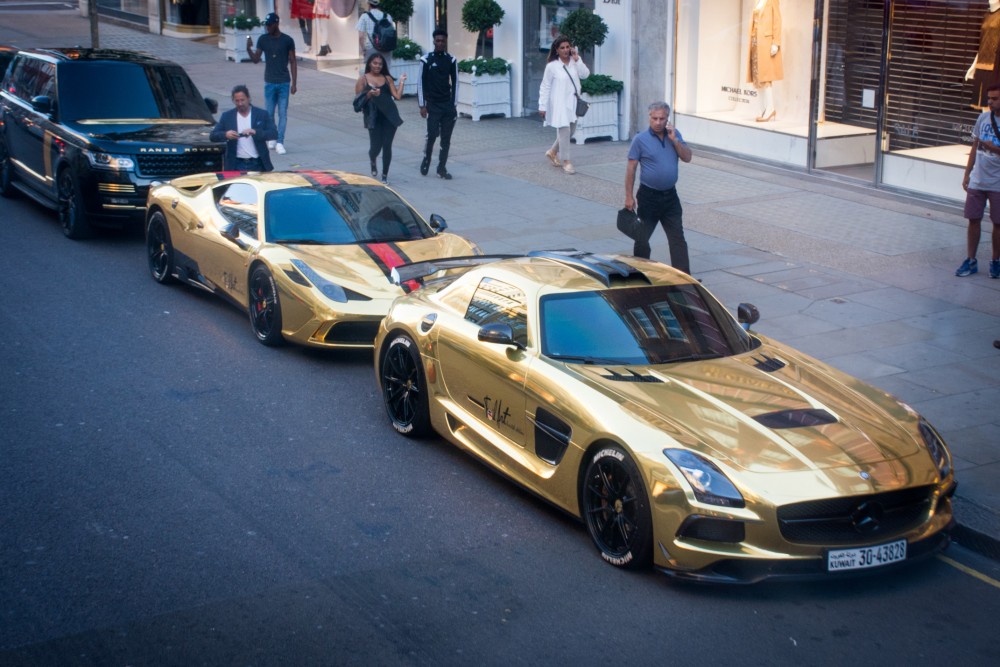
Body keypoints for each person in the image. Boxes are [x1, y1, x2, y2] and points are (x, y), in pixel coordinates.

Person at [624, 101, 693, 274]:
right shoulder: (640, 140)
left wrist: (675, 141)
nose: (658, 122)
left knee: (677, 238)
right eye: (654, 118)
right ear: (649, 117)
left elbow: (687, 157)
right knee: (642, 238)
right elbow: (631, 168)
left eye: (662, 118)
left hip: (670, 197)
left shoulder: (674, 135)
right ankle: (641, 273)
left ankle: (683, 276)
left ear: (667, 118)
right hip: (649, 197)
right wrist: (629, 196)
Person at [958, 82, 1000, 279]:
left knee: (998, 223)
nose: (990, 102)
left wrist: (993, 148)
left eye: (995, 99)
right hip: (978, 179)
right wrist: (967, 173)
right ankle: (971, 259)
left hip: (998, 182)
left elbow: (988, 146)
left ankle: (995, 261)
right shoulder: (983, 118)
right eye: (989, 98)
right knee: (973, 219)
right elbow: (975, 147)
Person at [246, 12, 297, 156]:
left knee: (282, 113)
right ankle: (273, 136)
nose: (267, 27)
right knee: (269, 114)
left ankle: (280, 141)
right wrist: (248, 48)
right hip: (269, 81)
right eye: (266, 25)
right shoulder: (263, 39)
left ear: (276, 24)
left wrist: (294, 83)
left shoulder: (287, 40)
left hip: (283, 82)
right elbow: (256, 59)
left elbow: (293, 61)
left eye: (269, 25)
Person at [538, 36, 590, 175]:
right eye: (562, 48)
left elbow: (585, 75)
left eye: (568, 47)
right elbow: (545, 86)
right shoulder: (552, 66)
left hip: (573, 102)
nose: (566, 50)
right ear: (557, 50)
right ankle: (566, 161)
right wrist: (542, 105)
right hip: (559, 103)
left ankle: (553, 151)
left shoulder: (574, 62)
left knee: (571, 130)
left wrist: (577, 58)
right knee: (565, 131)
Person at [355, 53, 406, 183]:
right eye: (375, 63)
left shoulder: (387, 78)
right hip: (373, 117)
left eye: (380, 64)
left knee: (387, 145)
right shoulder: (363, 79)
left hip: (389, 116)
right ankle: (373, 159)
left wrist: (401, 82)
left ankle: (384, 176)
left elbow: (398, 96)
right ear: (370, 64)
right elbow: (357, 103)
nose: (377, 66)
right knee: (375, 147)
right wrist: (369, 94)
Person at [417, 29, 458, 180]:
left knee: (446, 139)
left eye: (443, 41)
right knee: (432, 134)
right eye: (438, 40)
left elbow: (456, 83)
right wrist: (422, 105)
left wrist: (454, 104)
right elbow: (420, 83)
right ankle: (427, 158)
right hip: (432, 105)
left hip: (447, 105)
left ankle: (442, 167)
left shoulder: (451, 60)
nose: (440, 43)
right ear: (434, 41)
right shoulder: (426, 60)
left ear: (446, 42)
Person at [210, 85, 277, 172]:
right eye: (237, 101)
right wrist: (226, 135)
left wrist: (256, 132)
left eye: (242, 100)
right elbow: (213, 136)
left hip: (257, 163)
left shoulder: (262, 114)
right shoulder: (227, 116)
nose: (240, 103)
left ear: (248, 98)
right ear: (233, 101)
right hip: (236, 164)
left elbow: (273, 134)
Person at [748, 0, 782, 122]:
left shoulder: (772, 1)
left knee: (766, 76)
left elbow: (777, 21)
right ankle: (763, 109)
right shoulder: (757, 1)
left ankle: (770, 108)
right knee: (758, 76)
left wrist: (776, 43)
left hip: (766, 43)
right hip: (755, 42)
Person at [357, 0, 393, 72]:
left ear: (369, 5)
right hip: (386, 48)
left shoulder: (365, 16)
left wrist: (363, 49)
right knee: (386, 72)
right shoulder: (388, 16)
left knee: (370, 74)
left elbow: (361, 36)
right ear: (379, 5)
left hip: (371, 48)